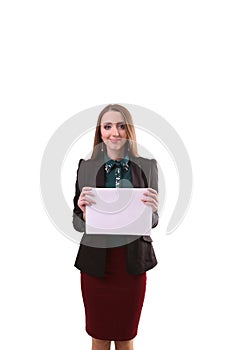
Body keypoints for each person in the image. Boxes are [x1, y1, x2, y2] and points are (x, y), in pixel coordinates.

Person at [72, 104, 159, 350]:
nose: (115, 133)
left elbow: (152, 223)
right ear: (100, 132)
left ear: (129, 130)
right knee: (99, 337)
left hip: (131, 265)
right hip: (97, 265)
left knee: (125, 337)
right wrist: (83, 211)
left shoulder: (148, 166)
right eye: (107, 126)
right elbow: (77, 222)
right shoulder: (86, 167)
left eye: (121, 126)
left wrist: (152, 211)